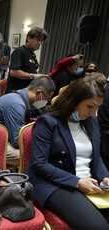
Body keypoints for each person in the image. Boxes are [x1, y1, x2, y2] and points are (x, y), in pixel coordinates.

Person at [26, 77, 109, 230]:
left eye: (97, 107)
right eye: (90, 106)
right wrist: (77, 182)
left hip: (90, 182)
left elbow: (96, 157)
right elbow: (40, 164)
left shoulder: (91, 122)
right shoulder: (48, 122)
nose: (93, 112)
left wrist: (104, 176)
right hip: (55, 184)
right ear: (73, 100)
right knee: (98, 227)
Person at [0, 76, 55, 166]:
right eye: (46, 98)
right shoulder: (16, 104)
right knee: (35, 156)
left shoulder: (22, 98)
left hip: (3, 138)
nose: (46, 102)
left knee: (39, 153)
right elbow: (17, 141)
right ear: (38, 92)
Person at [5, 27, 48, 94]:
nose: (39, 43)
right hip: (15, 93)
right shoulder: (20, 51)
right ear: (29, 38)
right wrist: (32, 76)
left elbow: (31, 71)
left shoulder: (33, 55)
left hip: (26, 92)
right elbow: (13, 72)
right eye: (38, 40)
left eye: (41, 41)